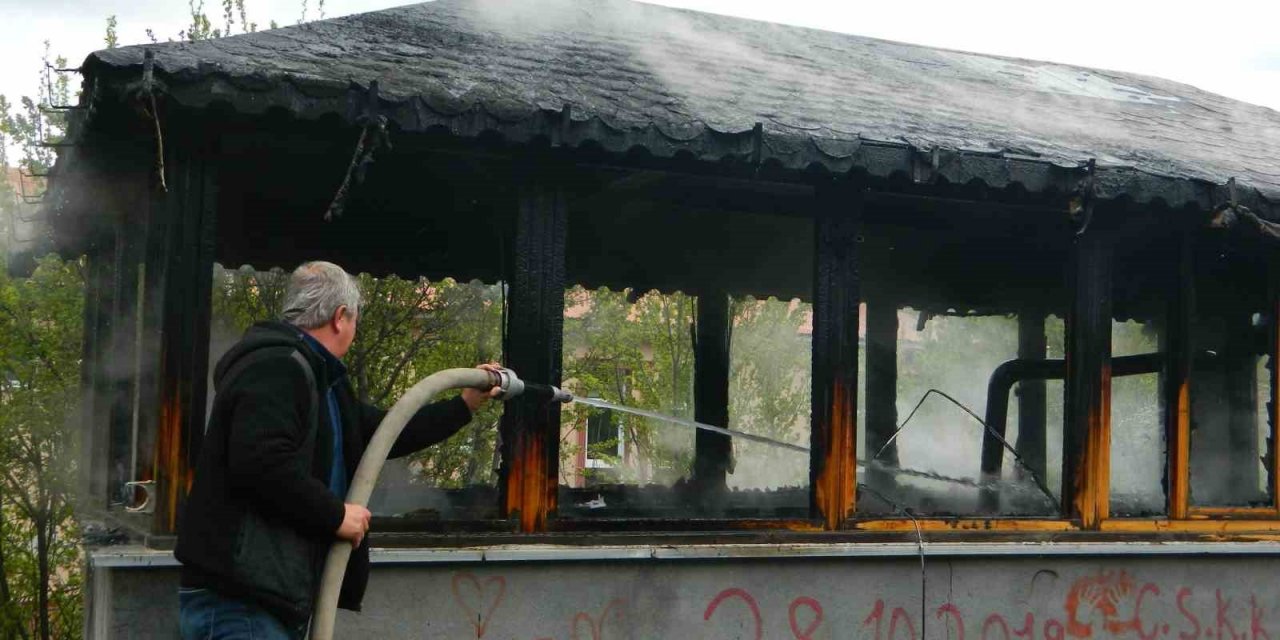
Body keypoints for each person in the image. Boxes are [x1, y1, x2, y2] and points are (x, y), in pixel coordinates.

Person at [176, 261, 499, 639]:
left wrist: (463, 405)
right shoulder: (277, 367)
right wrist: (334, 514)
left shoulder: (321, 380)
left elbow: (386, 433)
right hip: (242, 599)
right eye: (355, 319)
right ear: (340, 317)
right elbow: (260, 463)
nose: (355, 329)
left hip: (268, 596)